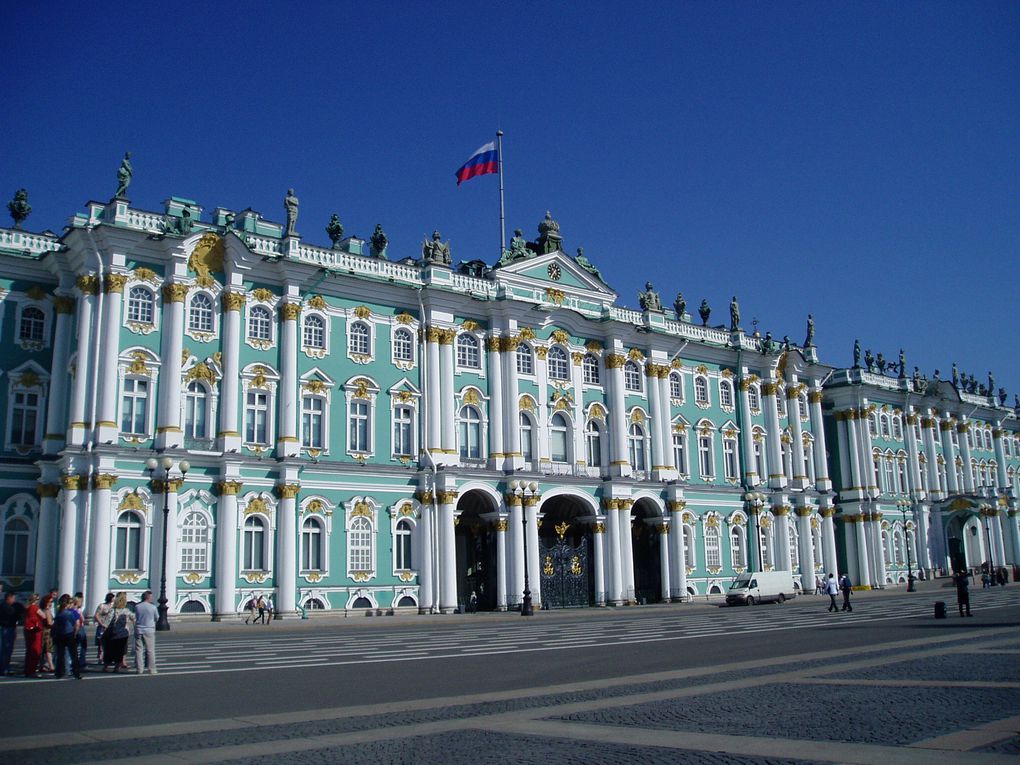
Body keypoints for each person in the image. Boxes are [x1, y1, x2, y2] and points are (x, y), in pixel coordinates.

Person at [51, 594, 83, 679]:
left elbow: (56, 624)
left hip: (60, 634)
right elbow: (75, 624)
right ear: (67, 604)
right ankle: (76, 672)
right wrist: (75, 633)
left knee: (60, 655)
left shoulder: (59, 613)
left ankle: (59, 672)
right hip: (69, 634)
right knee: (73, 654)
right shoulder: (70, 613)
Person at [102, 592, 135, 672]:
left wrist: (103, 632)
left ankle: (106, 666)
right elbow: (134, 619)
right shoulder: (126, 611)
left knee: (109, 650)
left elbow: (106, 623)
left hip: (112, 633)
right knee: (120, 651)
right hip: (123, 634)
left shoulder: (112, 610)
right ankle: (117, 667)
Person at [134, 590, 158, 675]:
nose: (152, 598)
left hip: (139, 629)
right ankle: (152, 669)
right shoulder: (153, 607)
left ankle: (139, 669)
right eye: (151, 597)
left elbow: (136, 617)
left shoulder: (137, 606)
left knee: (138, 650)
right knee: (150, 650)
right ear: (148, 597)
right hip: (149, 630)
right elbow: (156, 617)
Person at [23, 594, 43, 677]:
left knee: (29, 650)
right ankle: (32, 670)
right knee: (35, 650)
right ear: (35, 600)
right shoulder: (35, 608)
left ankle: (27, 670)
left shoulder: (27, 608)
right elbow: (43, 615)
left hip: (28, 630)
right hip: (35, 631)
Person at [94, 592, 114, 664]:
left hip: (111, 626)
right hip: (103, 627)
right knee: (102, 643)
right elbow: (96, 615)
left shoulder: (113, 606)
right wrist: (101, 624)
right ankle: (101, 657)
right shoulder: (102, 606)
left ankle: (109, 658)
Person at [0, 592, 17, 675]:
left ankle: (6, 667)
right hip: (7, 629)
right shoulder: (5, 606)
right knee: (5, 650)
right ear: (8, 598)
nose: (14, 600)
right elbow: (13, 613)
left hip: (10, 628)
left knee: (8, 650)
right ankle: (3, 668)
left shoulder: (8, 606)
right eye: (13, 598)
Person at [39, 593, 55, 673]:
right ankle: (51, 665)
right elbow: (49, 622)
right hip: (48, 631)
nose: (51, 603)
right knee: (48, 649)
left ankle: (42, 665)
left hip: (43, 631)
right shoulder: (47, 610)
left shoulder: (42, 609)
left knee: (43, 649)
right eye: (50, 601)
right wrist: (55, 623)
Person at [73, 592, 88, 670]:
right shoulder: (77, 610)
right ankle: (81, 662)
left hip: (75, 629)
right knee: (83, 646)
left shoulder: (72, 609)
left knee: (75, 646)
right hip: (79, 629)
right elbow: (83, 620)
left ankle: (75, 661)